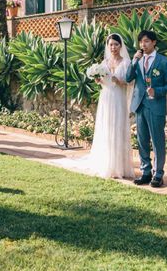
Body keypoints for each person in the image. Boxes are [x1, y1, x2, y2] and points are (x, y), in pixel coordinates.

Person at [54, 34, 134, 179]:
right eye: (110, 45)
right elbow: (103, 81)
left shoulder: (126, 62)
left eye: (116, 44)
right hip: (106, 98)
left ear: (120, 46)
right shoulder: (105, 62)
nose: (113, 47)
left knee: (117, 128)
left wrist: (118, 80)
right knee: (106, 128)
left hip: (118, 99)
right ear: (108, 46)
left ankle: (119, 167)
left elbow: (130, 83)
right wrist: (98, 80)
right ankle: (107, 163)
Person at [125, 30, 167, 188]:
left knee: (157, 141)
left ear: (154, 42)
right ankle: (145, 172)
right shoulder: (138, 60)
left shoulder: (164, 62)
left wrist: (157, 91)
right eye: (141, 42)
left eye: (146, 41)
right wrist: (133, 61)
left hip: (156, 106)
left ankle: (158, 174)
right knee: (142, 141)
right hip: (140, 105)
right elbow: (128, 78)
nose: (143, 45)